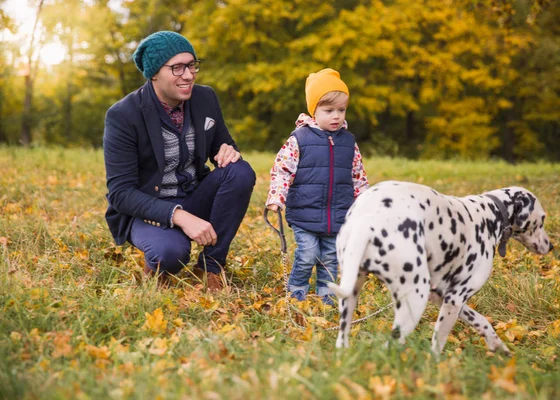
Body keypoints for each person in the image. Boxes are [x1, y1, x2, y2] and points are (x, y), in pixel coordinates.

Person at [103, 31, 255, 291]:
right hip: (149, 207)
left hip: (193, 194)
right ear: (154, 73)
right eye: (177, 68)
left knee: (240, 172)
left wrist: (228, 151)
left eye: (192, 64)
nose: (188, 75)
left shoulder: (205, 98)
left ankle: (212, 266)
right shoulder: (123, 115)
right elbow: (121, 194)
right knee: (171, 254)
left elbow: (222, 143)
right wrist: (179, 216)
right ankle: (160, 259)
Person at [265, 68, 369, 305]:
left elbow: (358, 176)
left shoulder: (349, 142)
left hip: (338, 213)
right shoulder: (299, 139)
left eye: (341, 110)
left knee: (331, 257)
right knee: (307, 254)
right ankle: (297, 289)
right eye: (329, 110)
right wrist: (276, 197)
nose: (336, 116)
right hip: (305, 213)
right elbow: (282, 170)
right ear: (314, 110)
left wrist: (364, 204)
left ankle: (327, 293)